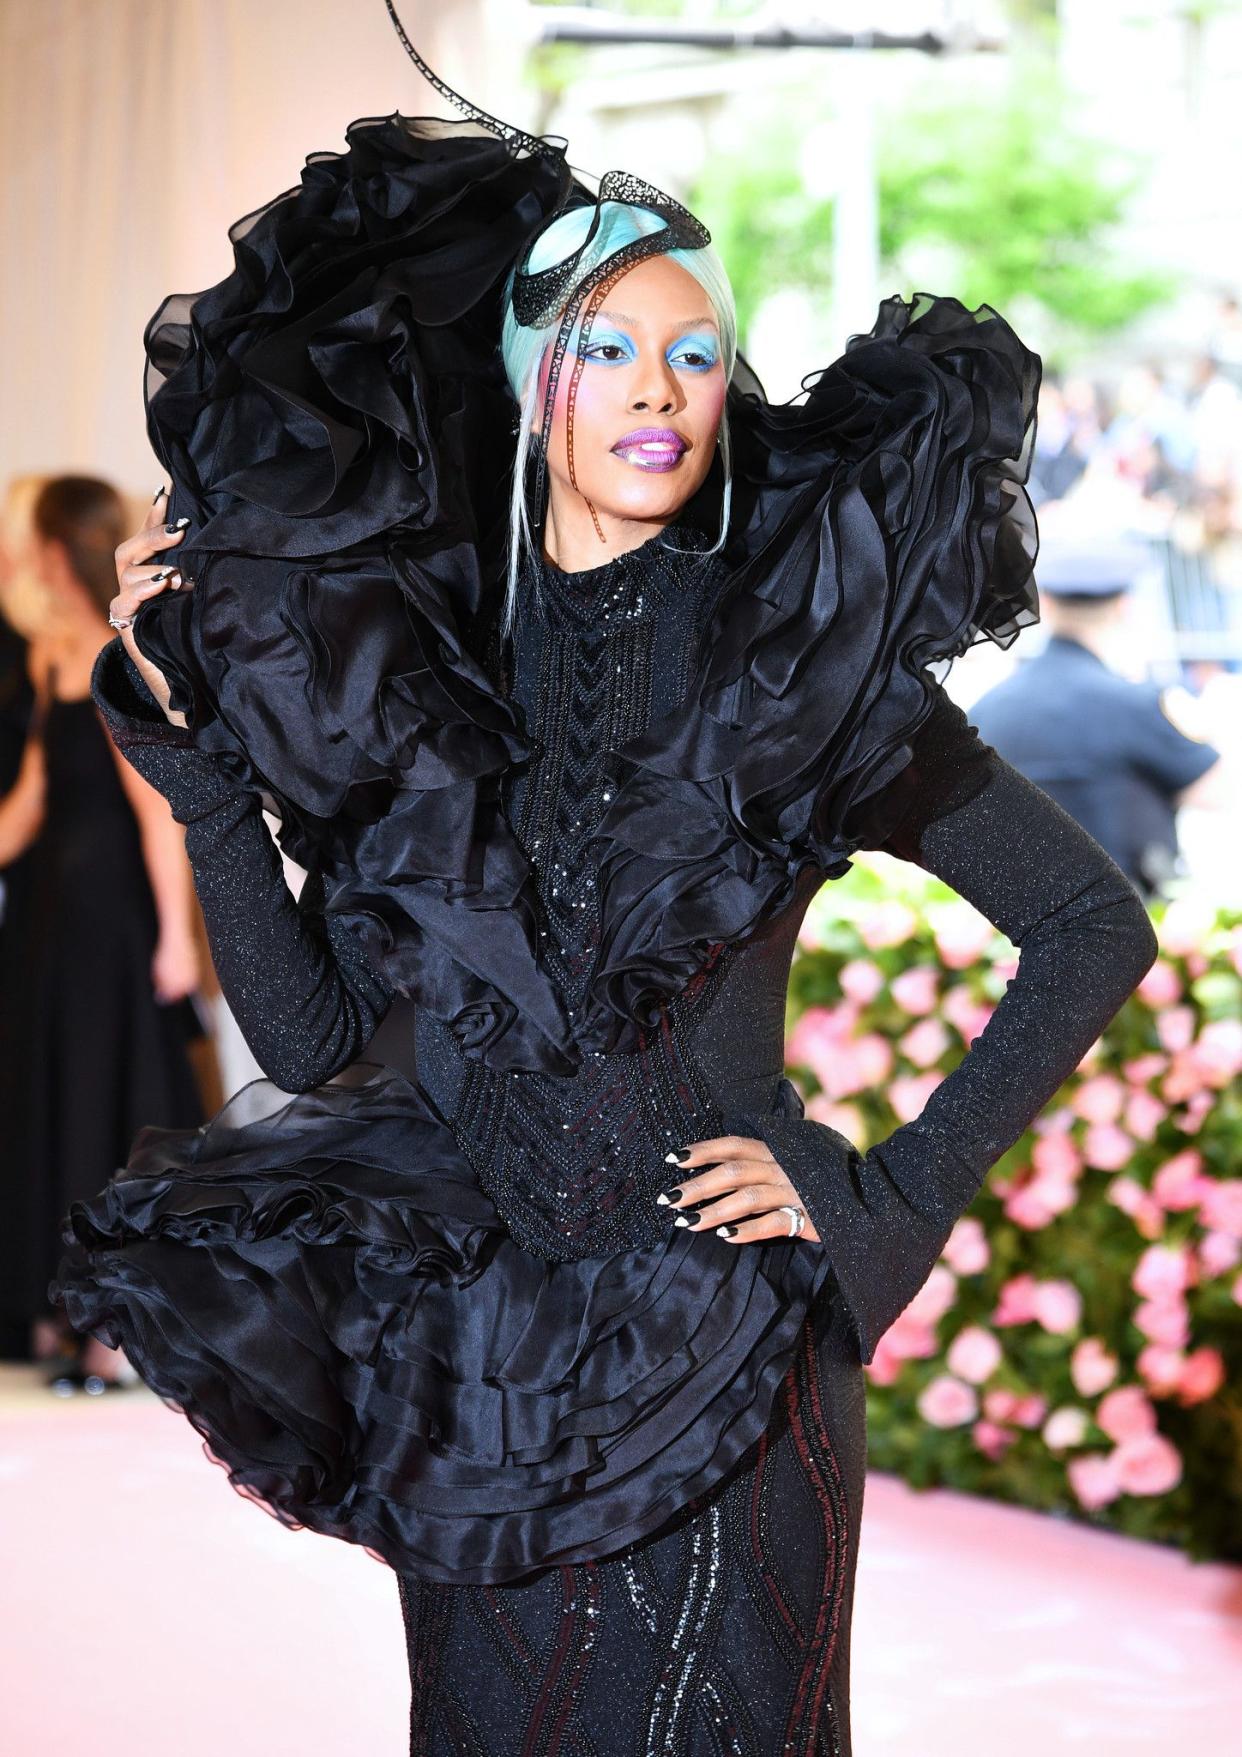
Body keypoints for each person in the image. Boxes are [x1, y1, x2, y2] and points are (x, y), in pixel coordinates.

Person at [49, 27, 1159, 1756]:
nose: (654, 385)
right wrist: (205, 788)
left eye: (695, 352)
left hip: (735, 1366)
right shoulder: (408, 674)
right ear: (526, 382)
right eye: (606, 346)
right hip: (473, 1383)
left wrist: (879, 1184)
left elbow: (1093, 923)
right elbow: (325, 1038)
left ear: (726, 393)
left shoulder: (806, 670)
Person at [0, 476, 206, 1391]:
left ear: (54, 553)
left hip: (113, 924)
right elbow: (29, 809)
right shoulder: (47, 664)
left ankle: (111, 1334)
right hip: (52, 922)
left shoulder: (113, 661)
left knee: (110, 1106)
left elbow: (160, 811)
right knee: (57, 1103)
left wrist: (175, 937)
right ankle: (59, 1313)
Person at [969, 531, 1223, 900]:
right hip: (1126, 916)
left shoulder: (988, 705)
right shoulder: (1135, 702)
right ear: (1125, 606)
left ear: (1048, 606)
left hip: (1014, 918)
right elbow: (1213, 791)